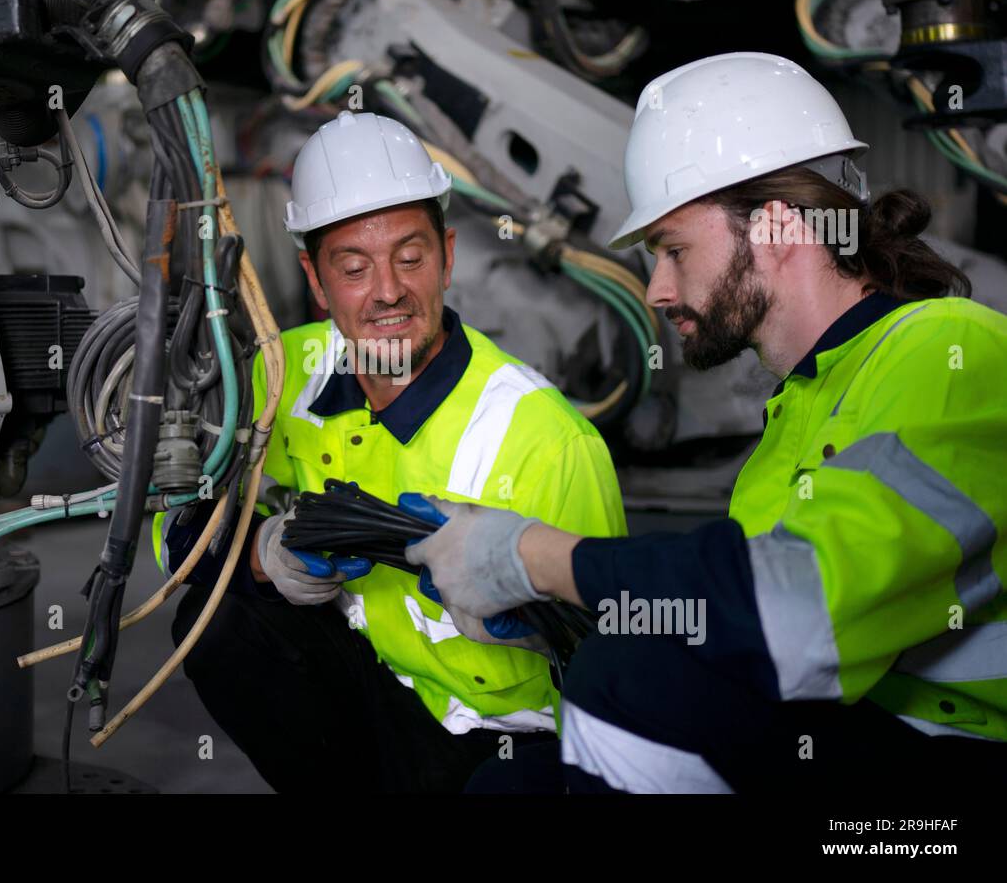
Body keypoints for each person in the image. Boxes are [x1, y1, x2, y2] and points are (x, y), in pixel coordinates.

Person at [403, 53, 1007, 793]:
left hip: (943, 785)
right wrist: (552, 611)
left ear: (778, 226)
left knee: (629, 672)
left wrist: (533, 556)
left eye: (674, 250)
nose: (656, 289)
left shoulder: (947, 349)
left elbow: (795, 616)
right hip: (854, 736)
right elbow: (730, 623)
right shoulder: (800, 408)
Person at [154, 110, 626, 792]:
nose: (387, 291)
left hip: (501, 739)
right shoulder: (282, 375)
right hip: (374, 688)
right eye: (353, 267)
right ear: (315, 281)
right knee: (216, 621)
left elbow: (612, 655)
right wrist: (266, 555)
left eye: (411, 258)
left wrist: (515, 608)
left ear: (448, 256)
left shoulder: (543, 438)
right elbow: (174, 539)